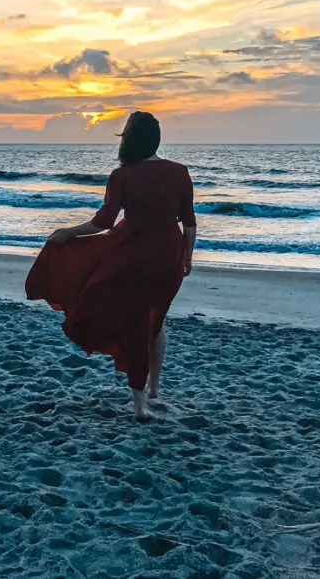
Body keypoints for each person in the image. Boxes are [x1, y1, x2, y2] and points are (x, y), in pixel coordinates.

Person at [25, 111, 197, 421]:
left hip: (132, 256)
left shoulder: (123, 176)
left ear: (129, 141)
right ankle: (154, 390)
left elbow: (103, 223)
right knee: (156, 320)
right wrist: (188, 256)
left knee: (137, 322)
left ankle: (140, 404)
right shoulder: (180, 172)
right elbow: (190, 223)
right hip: (168, 255)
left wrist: (68, 232)